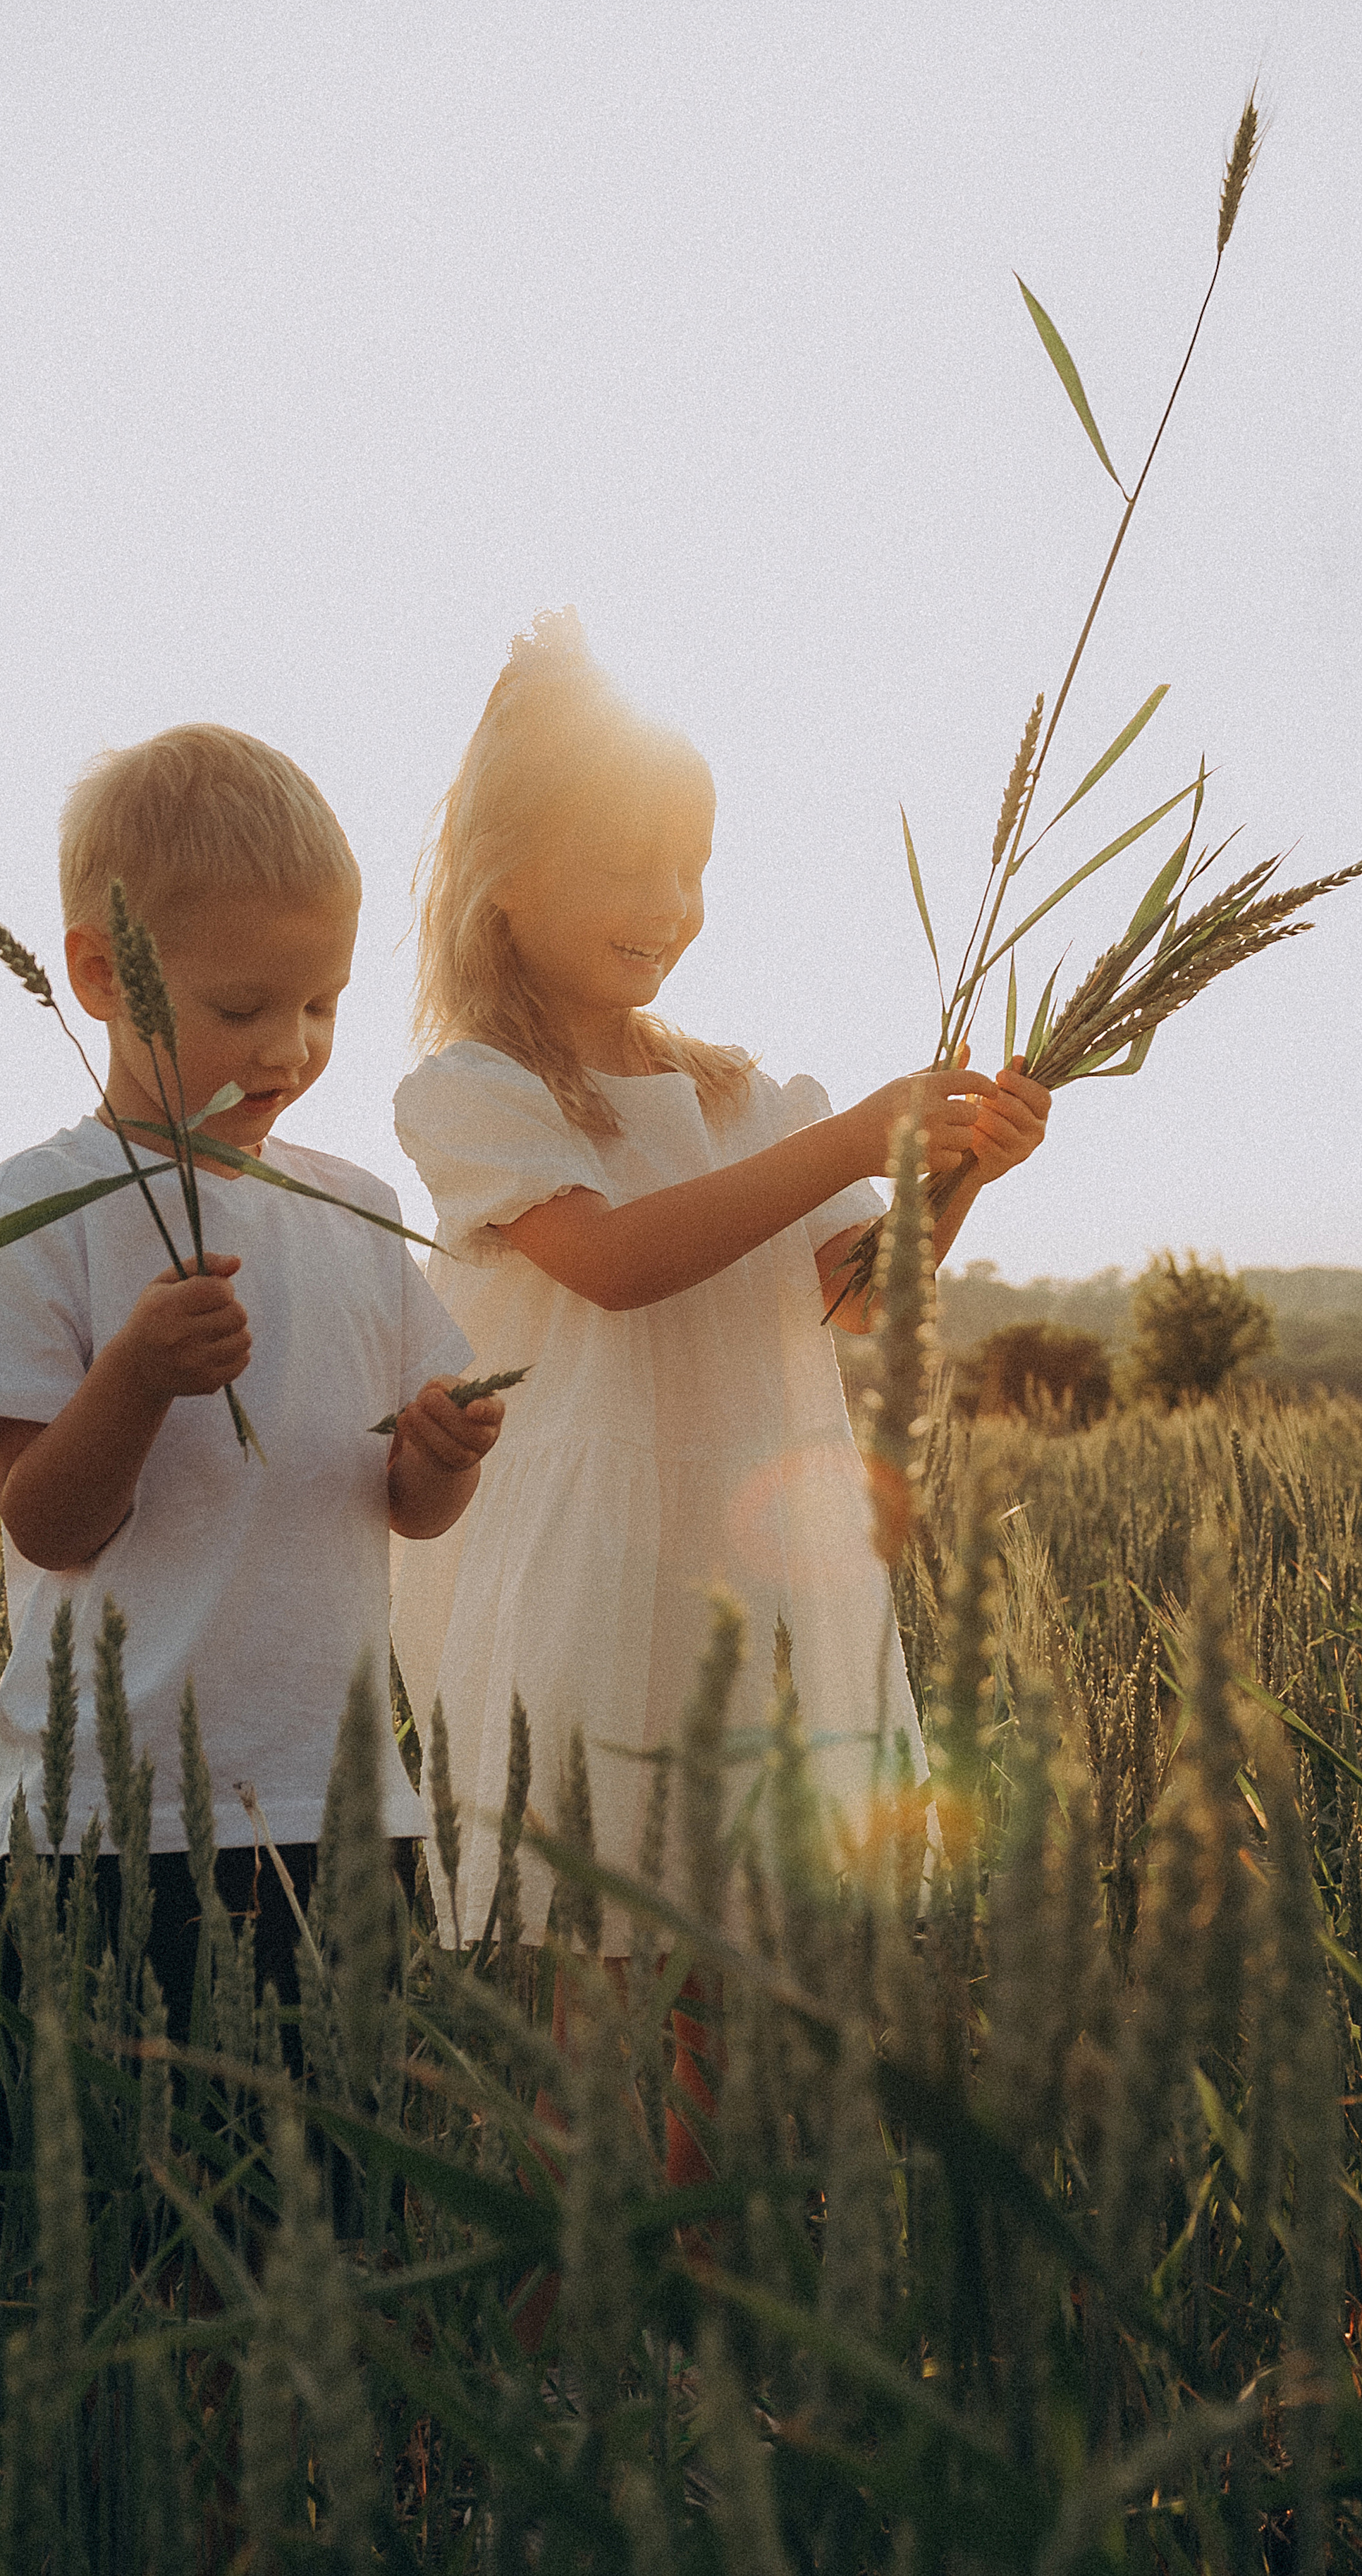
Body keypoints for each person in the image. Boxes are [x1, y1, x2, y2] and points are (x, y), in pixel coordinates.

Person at [391, 610, 1050, 1968]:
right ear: (504, 876)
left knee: (730, 1971)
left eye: (690, 869)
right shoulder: (478, 1095)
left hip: (755, 1557)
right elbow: (622, 1264)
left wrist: (953, 1172)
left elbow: (861, 1299)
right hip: (596, 1564)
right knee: (600, 1952)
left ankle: (716, 2185)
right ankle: (601, 2189)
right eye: (626, 869)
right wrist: (861, 1137)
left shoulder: (745, 1097)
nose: (669, 906)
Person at [0, 723, 504, 2038]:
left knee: (330, 2204)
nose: (291, 1049)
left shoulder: (357, 1213)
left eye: (321, 1006)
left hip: (342, 1802)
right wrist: (139, 1375)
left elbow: (408, 1508)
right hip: (109, 1818)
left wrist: (443, 1452)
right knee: (117, 2212)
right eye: (243, 1009)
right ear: (97, 974)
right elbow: (45, 1521)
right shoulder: (39, 1209)